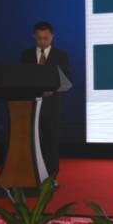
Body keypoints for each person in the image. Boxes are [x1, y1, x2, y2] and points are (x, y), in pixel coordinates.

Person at [20, 22, 71, 178]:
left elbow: (68, 80)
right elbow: (20, 78)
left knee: (51, 139)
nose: (42, 41)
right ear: (33, 36)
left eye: (45, 38)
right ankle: (30, 174)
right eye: (39, 38)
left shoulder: (60, 55)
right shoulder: (26, 55)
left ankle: (51, 176)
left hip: (51, 104)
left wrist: (53, 89)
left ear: (52, 37)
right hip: (30, 104)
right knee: (30, 139)